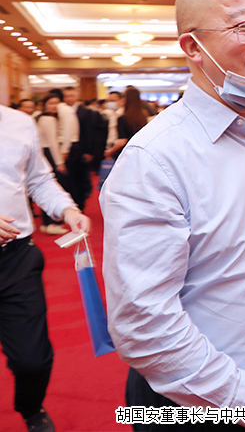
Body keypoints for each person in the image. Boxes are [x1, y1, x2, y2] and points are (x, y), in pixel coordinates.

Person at [100, 0, 245, 432]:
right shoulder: (154, 157)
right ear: (193, 47)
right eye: (243, 26)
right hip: (196, 405)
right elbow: (143, 323)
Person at [0, 103, 91, 432]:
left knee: (33, 359)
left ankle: (30, 407)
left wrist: (68, 210)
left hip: (16, 258)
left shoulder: (20, 123)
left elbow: (39, 180)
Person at [34, 94, 68, 235]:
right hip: (49, 154)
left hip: (45, 153)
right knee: (52, 187)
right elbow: (52, 142)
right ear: (44, 105)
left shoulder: (41, 117)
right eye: (51, 103)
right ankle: (51, 223)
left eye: (57, 103)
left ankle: (47, 223)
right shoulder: (48, 119)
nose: (54, 106)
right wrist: (59, 162)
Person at [104, 87, 148, 161]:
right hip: (140, 151)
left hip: (126, 153)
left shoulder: (123, 118)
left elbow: (122, 140)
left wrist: (110, 151)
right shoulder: (144, 116)